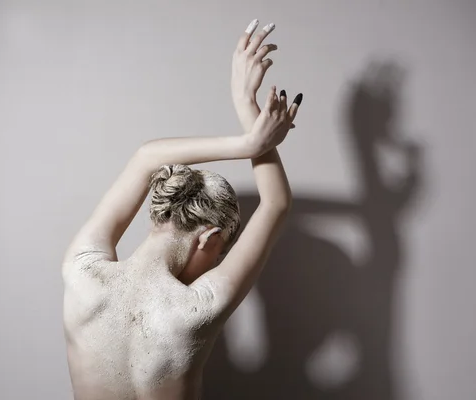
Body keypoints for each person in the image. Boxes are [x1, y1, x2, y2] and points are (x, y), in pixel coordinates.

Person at [61, 19, 303, 400]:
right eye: (221, 253)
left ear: (161, 212)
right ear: (210, 237)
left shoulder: (81, 272)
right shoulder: (199, 308)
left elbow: (146, 158)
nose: (216, 262)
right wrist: (246, 105)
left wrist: (248, 142)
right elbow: (276, 204)